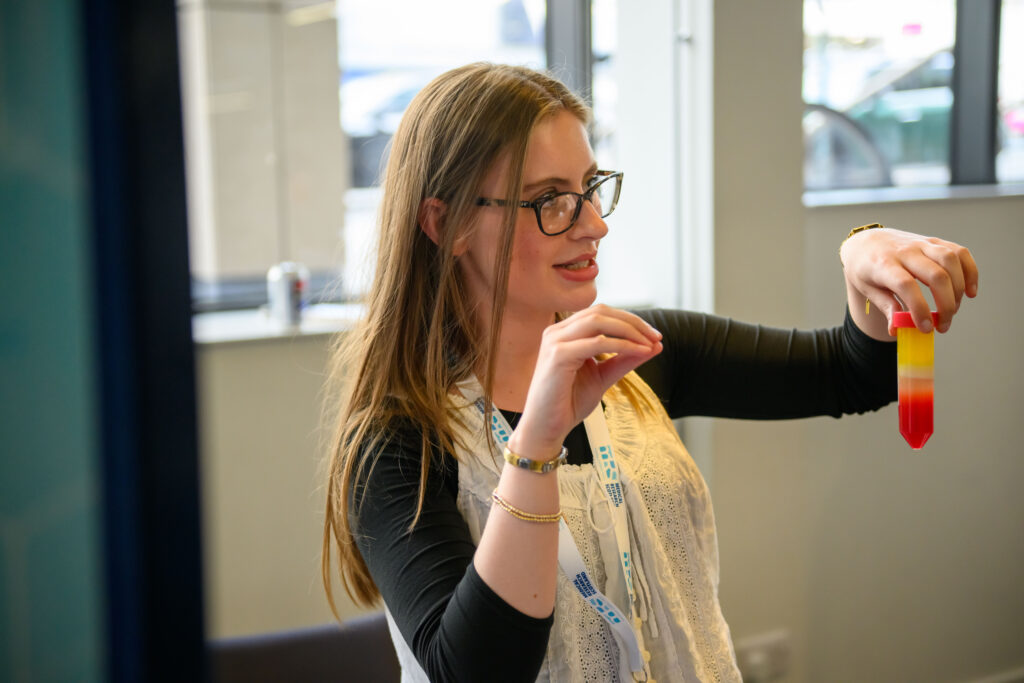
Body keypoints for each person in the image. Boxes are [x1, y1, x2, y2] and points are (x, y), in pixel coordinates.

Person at [321, 63, 978, 683]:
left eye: (591, 188)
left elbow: (848, 374)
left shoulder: (634, 352)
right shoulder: (395, 438)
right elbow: (474, 671)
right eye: (551, 200)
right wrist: (536, 444)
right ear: (448, 223)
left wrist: (863, 249)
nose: (596, 225)